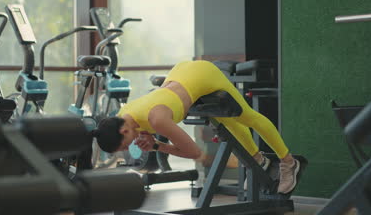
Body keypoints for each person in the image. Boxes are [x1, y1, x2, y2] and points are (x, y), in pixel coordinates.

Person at [94, 60, 300, 194]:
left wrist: (157, 145)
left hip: (201, 73)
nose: (127, 150)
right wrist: (151, 141)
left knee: (246, 117)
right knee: (225, 120)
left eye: (123, 147)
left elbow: (194, 152)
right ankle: (257, 161)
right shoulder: (122, 116)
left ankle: (288, 162)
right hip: (180, 75)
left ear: (123, 132)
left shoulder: (157, 119)